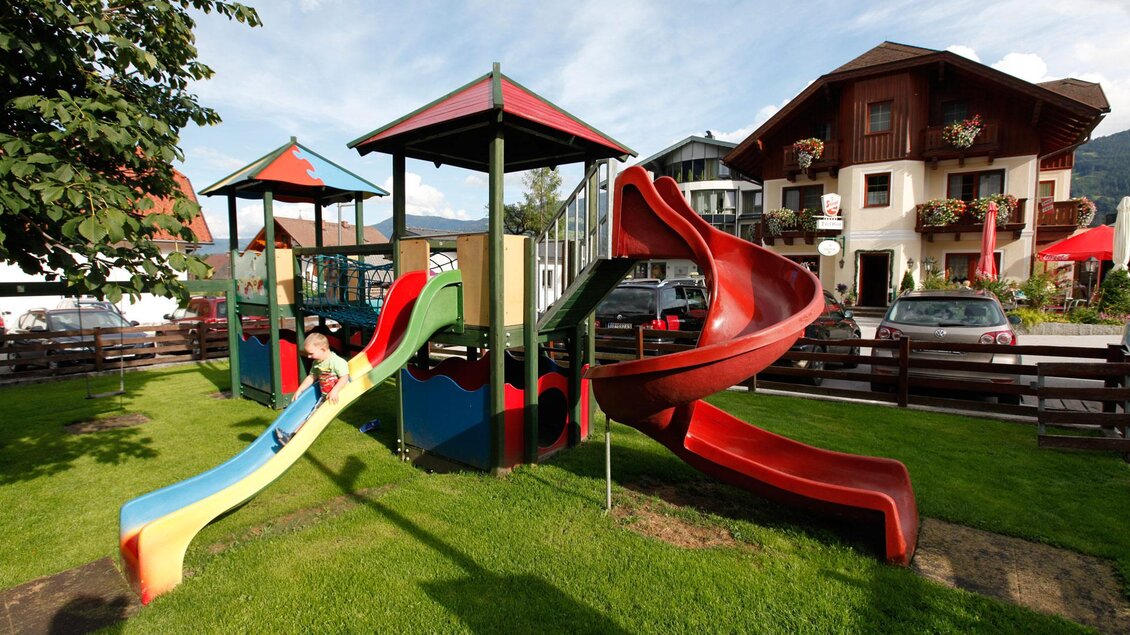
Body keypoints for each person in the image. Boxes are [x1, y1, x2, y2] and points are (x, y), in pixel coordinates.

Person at [275, 333, 350, 446]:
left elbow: (345, 377)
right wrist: (300, 389)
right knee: (312, 417)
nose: (309, 357)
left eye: (311, 353)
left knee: (313, 418)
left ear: (323, 349)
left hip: (337, 396)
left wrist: (335, 391)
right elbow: (311, 377)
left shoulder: (336, 362)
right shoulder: (317, 363)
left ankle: (292, 437)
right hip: (325, 397)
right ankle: (292, 436)